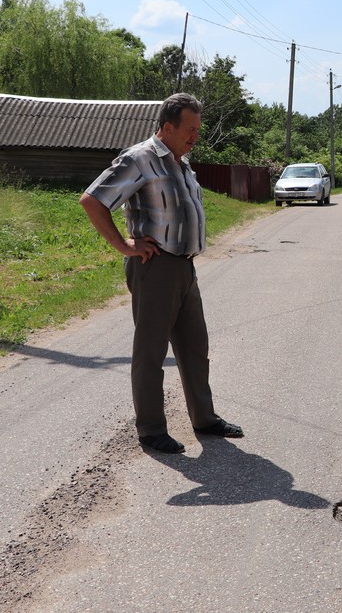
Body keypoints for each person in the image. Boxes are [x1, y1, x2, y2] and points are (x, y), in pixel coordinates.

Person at [80, 93, 243, 453]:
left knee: (195, 348)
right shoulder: (139, 159)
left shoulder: (182, 163)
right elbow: (92, 200)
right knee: (151, 352)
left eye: (198, 129)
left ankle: (205, 419)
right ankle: (151, 429)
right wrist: (124, 245)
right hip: (155, 268)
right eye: (189, 129)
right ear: (167, 127)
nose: (195, 137)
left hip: (184, 266)